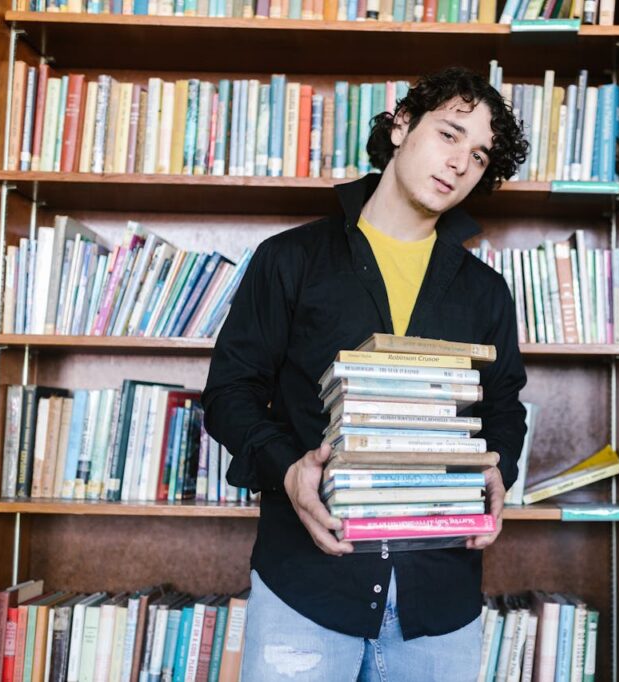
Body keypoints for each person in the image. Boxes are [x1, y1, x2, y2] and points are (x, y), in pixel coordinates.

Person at [201, 66, 530, 681]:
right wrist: (288, 470)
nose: (461, 162)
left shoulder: (487, 293)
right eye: (449, 134)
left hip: (441, 599)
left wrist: (497, 472)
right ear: (402, 126)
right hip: (307, 587)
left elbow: (504, 409)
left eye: (480, 154)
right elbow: (229, 393)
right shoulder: (291, 259)